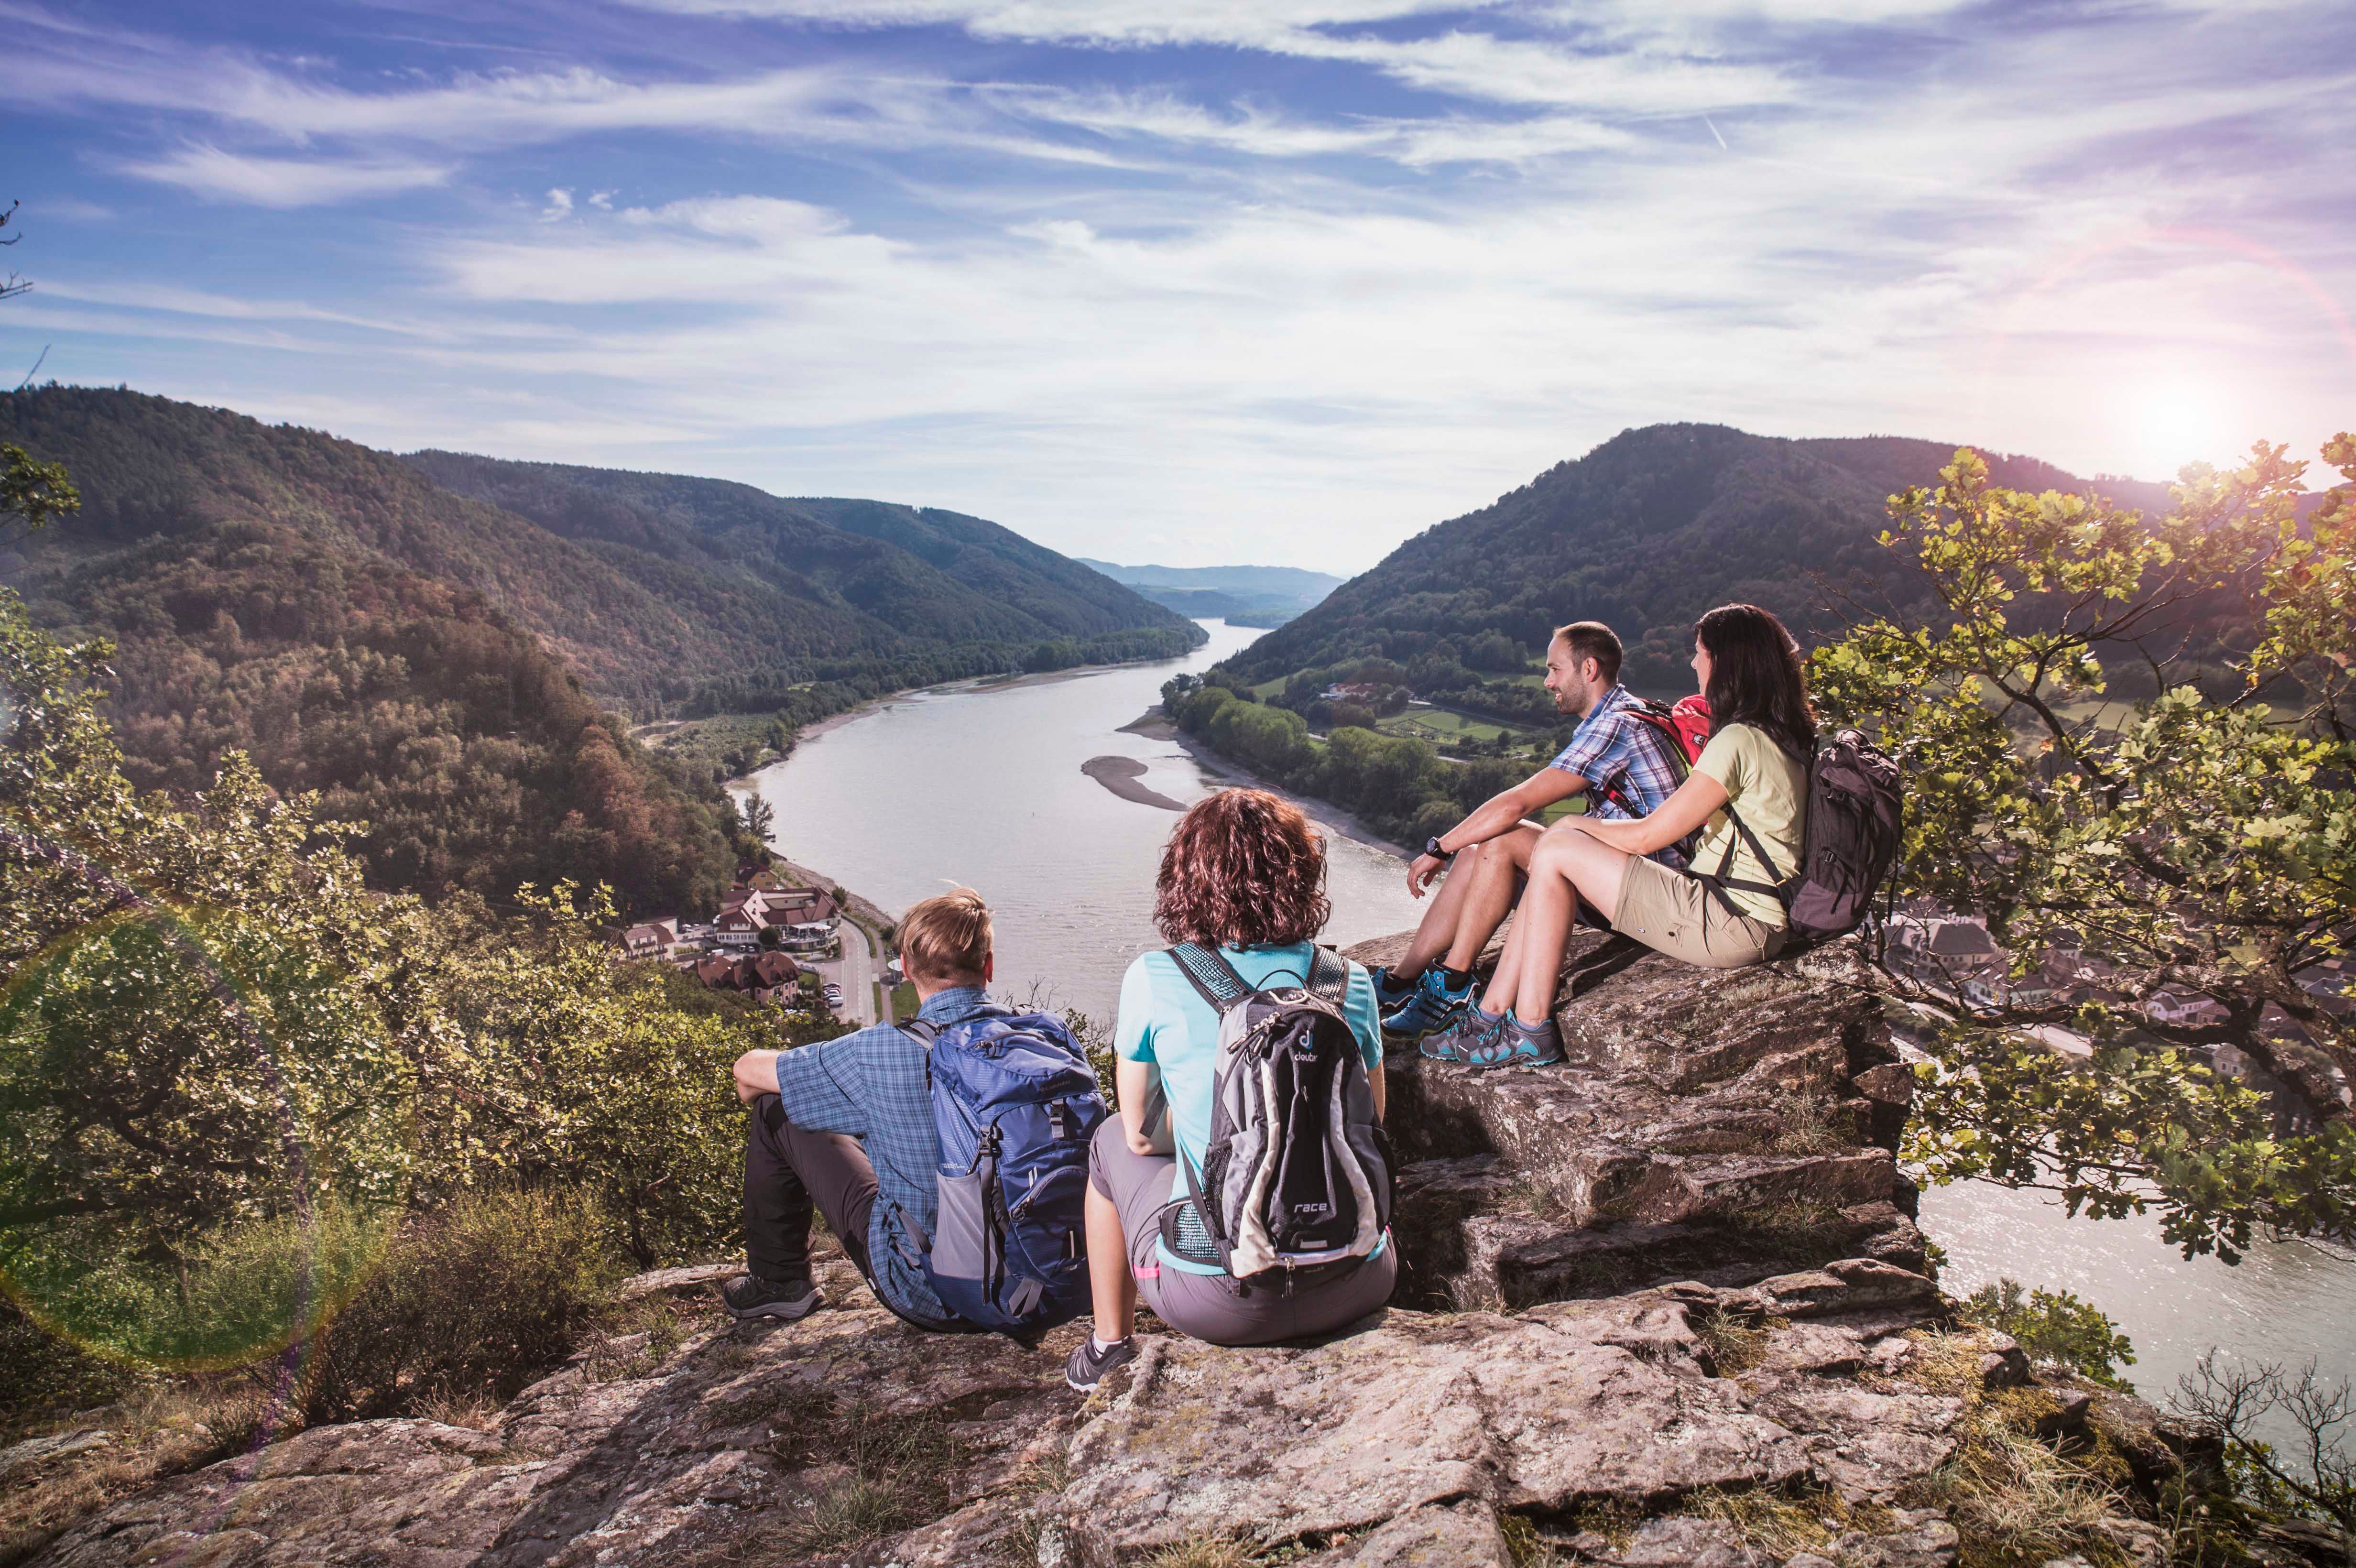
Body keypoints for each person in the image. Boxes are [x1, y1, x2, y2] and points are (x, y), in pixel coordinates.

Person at [1066, 789, 1398, 1390]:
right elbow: (1370, 1118)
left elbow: (1141, 1135)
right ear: (1301, 875)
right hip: (1358, 1282)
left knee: (1109, 1138)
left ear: (1186, 879)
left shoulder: (1156, 976)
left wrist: (1225, 1128)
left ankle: (1108, 1348)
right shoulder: (1346, 980)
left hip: (1222, 1298)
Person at [1423, 604, 1813, 1068]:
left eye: (1700, 653)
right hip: (1743, 912)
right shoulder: (1781, 735)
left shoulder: (1737, 741)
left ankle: (1523, 1024)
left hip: (1730, 919)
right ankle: (1494, 1018)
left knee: (1558, 846)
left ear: (1728, 662)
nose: (1693, 664)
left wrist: (1572, 825)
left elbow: (1651, 834)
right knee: (1555, 848)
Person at [1374, 620, 1690, 1043]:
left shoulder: (1616, 725)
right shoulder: (1634, 710)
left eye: (1555, 669)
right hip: (1629, 874)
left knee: (1502, 837)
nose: (1547, 681)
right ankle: (1402, 981)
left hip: (1647, 889)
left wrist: (1439, 847)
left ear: (1589, 670)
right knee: (1478, 851)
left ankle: (1452, 985)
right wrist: (1458, 848)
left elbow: (1518, 804)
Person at [723, 888, 1004, 1328]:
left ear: (907, 970)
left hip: (931, 1291)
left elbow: (747, 1076)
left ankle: (780, 1285)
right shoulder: (1052, 1039)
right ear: (988, 966)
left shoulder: (880, 1052)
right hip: (1043, 1282)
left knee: (778, 1104)